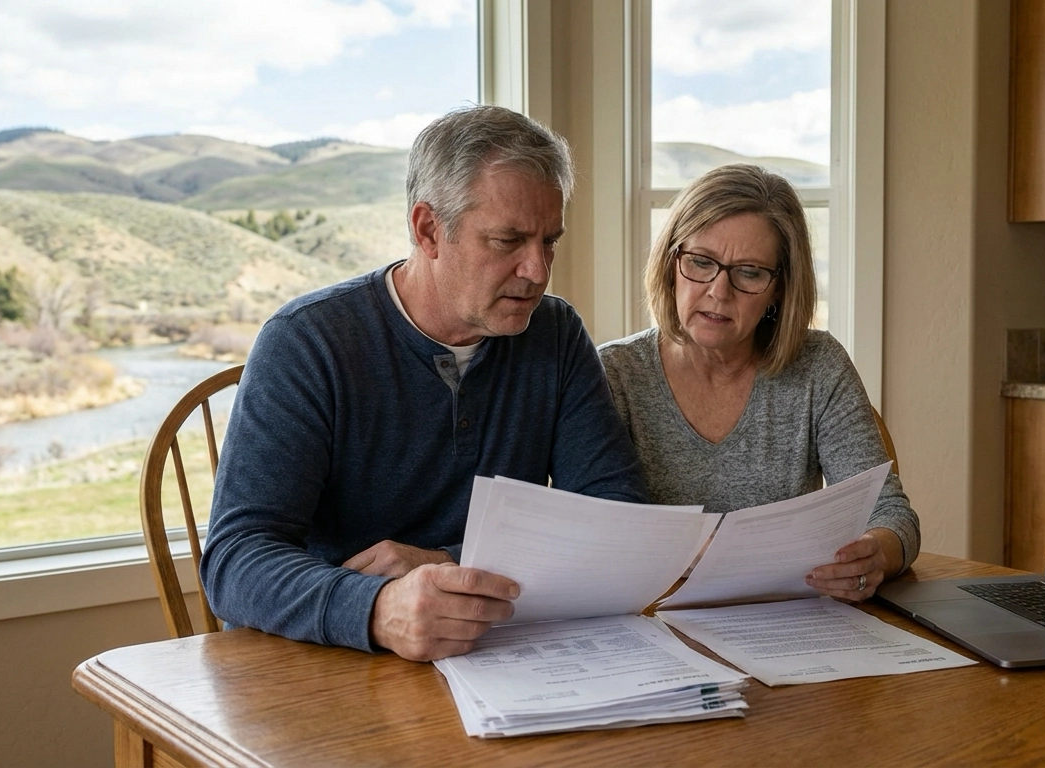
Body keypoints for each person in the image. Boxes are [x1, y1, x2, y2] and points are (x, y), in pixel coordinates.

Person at [202, 105, 647, 662]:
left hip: (502, 655)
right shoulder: (307, 342)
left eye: (549, 241)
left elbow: (617, 517)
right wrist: (379, 606)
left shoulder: (554, 334)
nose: (537, 270)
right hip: (335, 663)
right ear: (428, 229)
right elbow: (236, 561)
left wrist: (445, 564)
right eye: (508, 241)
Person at [599, 164, 919, 601]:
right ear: (672, 262)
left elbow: (891, 512)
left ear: (779, 289)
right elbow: (595, 529)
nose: (718, 291)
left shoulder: (818, 365)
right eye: (701, 262)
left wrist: (874, 555)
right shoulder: (614, 373)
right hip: (647, 623)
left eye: (748, 272)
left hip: (784, 621)